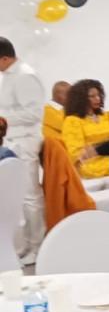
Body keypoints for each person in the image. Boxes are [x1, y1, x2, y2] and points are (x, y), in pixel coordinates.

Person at [0, 37, 46, 258]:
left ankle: (38, 246)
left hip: (25, 141)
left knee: (30, 196)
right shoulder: (8, 75)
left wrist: (3, 118)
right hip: (12, 140)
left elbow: (33, 114)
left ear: (6, 58)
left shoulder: (25, 75)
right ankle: (25, 246)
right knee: (17, 197)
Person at [61, 79, 109, 181]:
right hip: (90, 166)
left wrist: (96, 147)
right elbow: (76, 154)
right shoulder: (73, 121)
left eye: (99, 95)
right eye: (92, 96)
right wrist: (104, 147)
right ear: (81, 99)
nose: (98, 99)